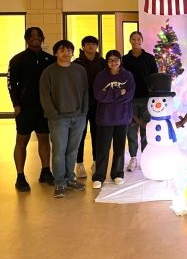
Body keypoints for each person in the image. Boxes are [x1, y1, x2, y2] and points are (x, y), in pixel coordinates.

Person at [7, 27, 56, 192]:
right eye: (31, 36)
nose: (35, 38)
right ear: (26, 39)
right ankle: (20, 177)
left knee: (44, 140)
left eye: (38, 36)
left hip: (44, 109)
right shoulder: (17, 60)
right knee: (21, 142)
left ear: (42, 38)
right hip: (25, 109)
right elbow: (11, 84)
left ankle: (45, 171)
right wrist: (16, 105)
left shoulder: (50, 59)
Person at [39, 40, 89, 198]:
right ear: (56, 53)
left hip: (78, 117)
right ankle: (59, 182)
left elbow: (85, 92)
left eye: (69, 50)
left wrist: (83, 111)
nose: (66, 53)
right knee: (59, 151)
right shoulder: (49, 72)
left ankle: (69, 178)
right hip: (58, 119)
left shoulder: (79, 70)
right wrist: (53, 114)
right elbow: (44, 95)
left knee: (72, 150)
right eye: (62, 50)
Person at [92, 50, 135, 189]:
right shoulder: (101, 76)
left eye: (116, 60)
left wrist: (109, 95)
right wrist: (118, 92)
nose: (113, 62)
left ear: (120, 61)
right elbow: (99, 95)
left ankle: (117, 174)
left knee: (119, 148)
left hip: (122, 117)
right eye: (110, 60)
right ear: (107, 61)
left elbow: (129, 95)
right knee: (102, 149)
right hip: (105, 118)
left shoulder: (127, 75)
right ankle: (99, 176)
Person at [122, 31, 158, 172]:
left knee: (145, 129)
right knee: (131, 129)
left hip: (146, 98)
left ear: (141, 40)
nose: (136, 41)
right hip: (130, 99)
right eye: (133, 39)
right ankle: (133, 158)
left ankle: (145, 157)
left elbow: (154, 77)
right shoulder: (124, 59)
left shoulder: (149, 58)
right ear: (130, 40)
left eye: (138, 39)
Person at [73, 36, 106, 178]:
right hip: (81, 106)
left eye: (94, 44)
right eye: (88, 44)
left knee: (97, 135)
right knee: (79, 135)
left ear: (97, 46)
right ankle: (79, 164)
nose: (91, 47)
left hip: (98, 105)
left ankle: (96, 163)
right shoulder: (76, 63)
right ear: (83, 46)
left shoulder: (103, 63)